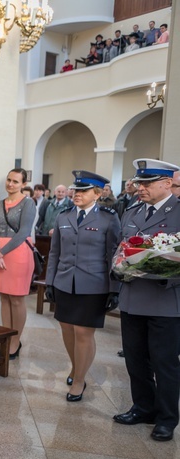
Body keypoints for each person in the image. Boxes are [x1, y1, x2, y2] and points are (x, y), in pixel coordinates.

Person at [113, 159, 180, 442]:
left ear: (167, 183)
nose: (140, 188)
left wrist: (165, 272)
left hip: (164, 299)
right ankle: (143, 407)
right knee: (135, 360)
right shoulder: (132, 211)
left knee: (164, 363)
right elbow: (120, 246)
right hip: (132, 296)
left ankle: (166, 418)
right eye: (139, 183)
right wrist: (118, 268)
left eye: (148, 183)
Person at [45, 171, 120, 402]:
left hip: (94, 284)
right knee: (67, 329)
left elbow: (114, 255)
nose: (77, 194)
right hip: (65, 282)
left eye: (84, 190)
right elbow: (55, 252)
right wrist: (50, 282)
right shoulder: (63, 216)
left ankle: (79, 380)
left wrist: (114, 288)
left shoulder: (108, 218)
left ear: (97, 193)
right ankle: (76, 367)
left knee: (83, 332)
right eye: (76, 190)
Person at [0, 168, 37, 359]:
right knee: (4, 298)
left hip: (17, 253)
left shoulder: (28, 203)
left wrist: (2, 252)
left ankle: (15, 342)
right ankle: (6, 338)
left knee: (16, 299)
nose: (10, 184)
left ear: (23, 184)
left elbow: (24, 231)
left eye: (15, 181)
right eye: (8, 180)